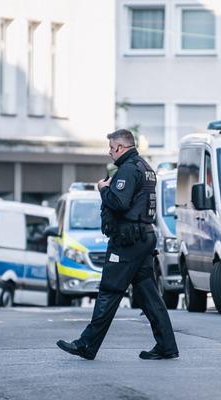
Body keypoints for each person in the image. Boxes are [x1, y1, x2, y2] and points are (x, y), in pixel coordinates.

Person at [56, 129, 179, 360]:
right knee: (149, 295)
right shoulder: (145, 167)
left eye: (111, 148)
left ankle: (86, 345)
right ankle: (166, 345)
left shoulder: (128, 169)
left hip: (127, 241)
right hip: (143, 237)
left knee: (109, 291)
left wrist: (103, 189)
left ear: (121, 147)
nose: (110, 153)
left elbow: (119, 202)